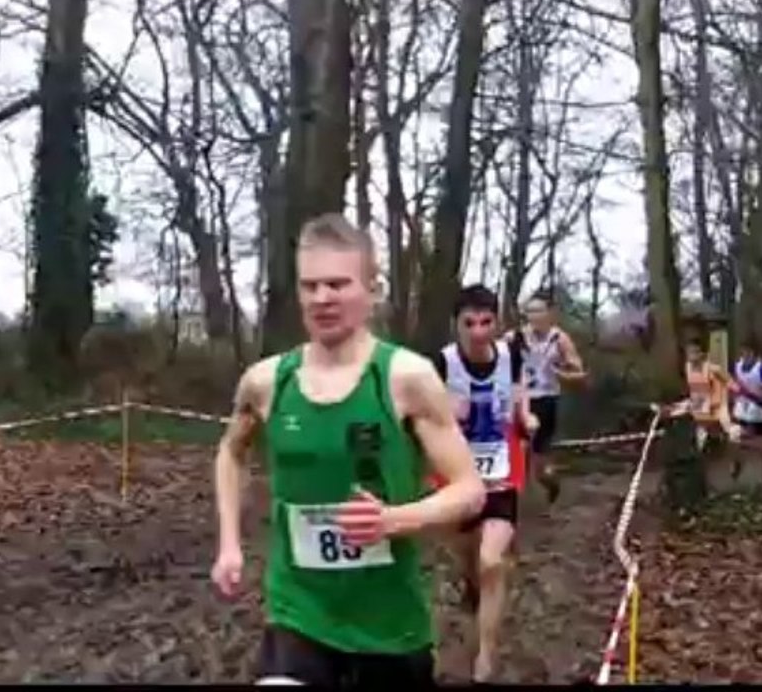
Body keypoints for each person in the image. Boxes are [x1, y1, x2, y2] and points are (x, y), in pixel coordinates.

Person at [210, 212, 486, 687]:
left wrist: (394, 521)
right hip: (298, 611)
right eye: (310, 286)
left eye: (337, 284)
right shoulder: (265, 382)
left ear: (371, 289)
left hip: (390, 625)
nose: (322, 298)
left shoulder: (407, 378)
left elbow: (470, 490)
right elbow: (230, 454)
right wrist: (230, 545)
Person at [429, 284, 538, 682]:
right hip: (456, 476)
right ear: (456, 325)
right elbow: (421, 416)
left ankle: (485, 658)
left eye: (486, 322)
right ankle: (470, 582)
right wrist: (443, 412)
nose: (478, 331)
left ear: (497, 322)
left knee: (493, 560)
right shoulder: (440, 363)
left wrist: (526, 417)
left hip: (501, 473)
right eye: (469, 323)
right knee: (469, 559)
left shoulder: (511, 356)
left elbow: (519, 396)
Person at [509, 290, 586, 504]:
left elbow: (580, 373)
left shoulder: (559, 339)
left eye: (538, 311)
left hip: (547, 401)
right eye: (530, 311)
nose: (533, 316)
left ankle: (550, 482)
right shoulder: (515, 337)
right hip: (520, 399)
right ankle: (515, 500)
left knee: (541, 462)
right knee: (518, 451)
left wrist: (562, 374)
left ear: (549, 313)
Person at [728, 339, 762, 480]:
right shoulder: (737, 366)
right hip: (742, 410)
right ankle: (736, 464)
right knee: (735, 439)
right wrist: (734, 393)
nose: (745, 355)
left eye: (748, 352)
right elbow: (733, 384)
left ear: (754, 353)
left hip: (759, 412)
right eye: (743, 352)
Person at [682, 337, 740, 451]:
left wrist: (733, 397)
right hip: (700, 406)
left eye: (695, 352)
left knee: (729, 430)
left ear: (702, 354)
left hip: (718, 404)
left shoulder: (713, 369)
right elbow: (692, 389)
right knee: (701, 433)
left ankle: (736, 455)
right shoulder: (687, 367)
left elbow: (732, 384)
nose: (692, 355)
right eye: (689, 352)